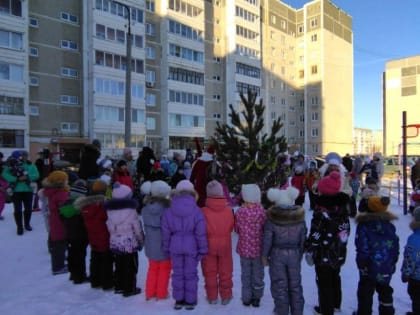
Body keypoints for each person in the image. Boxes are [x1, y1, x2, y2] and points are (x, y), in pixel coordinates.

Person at [305, 171, 351, 315]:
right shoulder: (343, 210)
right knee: (335, 278)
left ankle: (326, 309)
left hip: (323, 253)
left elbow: (316, 233)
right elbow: (345, 231)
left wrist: (309, 247)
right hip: (338, 252)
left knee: (324, 282)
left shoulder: (321, 212)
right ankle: (336, 305)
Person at [161, 179, 208, 310]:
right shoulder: (196, 210)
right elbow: (200, 232)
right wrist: (203, 249)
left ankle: (179, 300)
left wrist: (166, 248)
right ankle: (190, 301)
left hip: (175, 245)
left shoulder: (168, 211)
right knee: (190, 274)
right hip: (191, 245)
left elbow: (165, 232)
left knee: (178, 273)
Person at [263, 186, 307, 315]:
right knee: (295, 284)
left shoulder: (271, 219)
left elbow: (267, 240)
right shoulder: (300, 219)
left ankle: (281, 311)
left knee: (279, 285)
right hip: (294, 254)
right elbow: (303, 239)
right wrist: (300, 254)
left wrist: (264, 256)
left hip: (277, 255)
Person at [353, 196, 399, 315]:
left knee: (365, 292)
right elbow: (395, 246)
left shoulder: (364, 225)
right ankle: (387, 312)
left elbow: (362, 247)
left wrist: (361, 264)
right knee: (385, 290)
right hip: (386, 265)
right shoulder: (389, 226)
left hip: (368, 266)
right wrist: (393, 261)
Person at [105, 182, 144, 297]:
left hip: (116, 242)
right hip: (129, 243)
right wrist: (141, 240)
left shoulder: (110, 210)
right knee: (130, 266)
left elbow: (109, 226)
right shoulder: (131, 211)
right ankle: (129, 288)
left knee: (119, 263)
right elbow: (136, 228)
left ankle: (119, 286)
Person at [75, 179, 114, 291]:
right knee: (106, 259)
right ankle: (107, 282)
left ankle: (95, 280)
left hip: (92, 235)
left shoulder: (85, 206)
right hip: (104, 235)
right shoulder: (102, 205)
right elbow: (107, 219)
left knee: (95, 257)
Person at [201, 180, 234, 305]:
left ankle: (212, 297)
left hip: (208, 244)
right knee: (226, 270)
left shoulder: (203, 211)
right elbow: (231, 226)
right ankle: (226, 296)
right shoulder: (228, 210)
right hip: (225, 244)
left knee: (210, 271)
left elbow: (200, 229)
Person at [235, 183, 266, 308]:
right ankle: (257, 298)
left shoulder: (240, 212)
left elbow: (237, 229)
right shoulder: (262, 212)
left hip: (244, 249)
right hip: (258, 249)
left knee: (246, 274)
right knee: (258, 274)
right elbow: (265, 230)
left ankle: (246, 298)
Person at [140, 180, 172, 301]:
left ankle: (149, 292)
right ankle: (161, 293)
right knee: (164, 270)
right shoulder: (168, 210)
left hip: (151, 245)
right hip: (164, 246)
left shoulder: (145, 209)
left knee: (152, 269)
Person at [2, 150, 39, 235]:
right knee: (17, 210)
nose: (23, 157)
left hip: (28, 190)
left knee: (28, 209)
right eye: (22, 156)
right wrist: (17, 179)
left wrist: (27, 177)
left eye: (25, 155)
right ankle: (19, 227)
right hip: (16, 191)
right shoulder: (12, 164)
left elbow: (36, 175)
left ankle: (27, 224)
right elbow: (4, 175)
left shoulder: (31, 165)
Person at [59, 179, 89, 284]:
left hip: (69, 234)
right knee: (80, 255)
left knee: (72, 253)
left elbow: (61, 218)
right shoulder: (81, 206)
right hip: (81, 234)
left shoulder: (65, 204)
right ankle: (80, 276)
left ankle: (73, 273)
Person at [42, 170, 70, 274]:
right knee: (60, 245)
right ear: (60, 182)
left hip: (54, 220)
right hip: (60, 222)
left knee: (58, 244)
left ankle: (59, 264)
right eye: (66, 179)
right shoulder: (61, 194)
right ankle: (58, 267)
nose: (68, 181)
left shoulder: (52, 191)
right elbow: (65, 209)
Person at [401, 206, 420, 315]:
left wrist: (406, 273)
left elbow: (411, 258)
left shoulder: (415, 238)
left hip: (417, 277)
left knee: (416, 298)